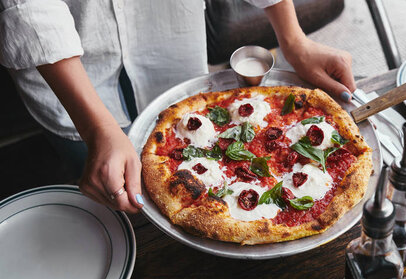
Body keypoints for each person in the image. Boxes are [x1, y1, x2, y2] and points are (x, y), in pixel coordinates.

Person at [0, 0, 356, 213]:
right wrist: (97, 130)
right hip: (70, 79)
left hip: (165, 42)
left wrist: (294, 41)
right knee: (112, 202)